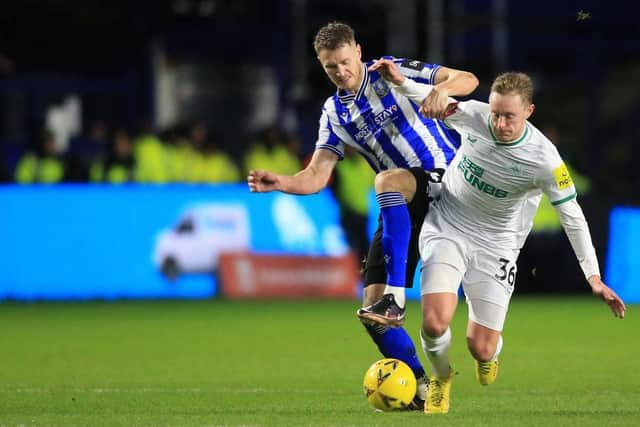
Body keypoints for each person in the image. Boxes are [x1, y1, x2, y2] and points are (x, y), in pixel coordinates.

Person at [247, 21, 479, 409]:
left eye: (344, 61)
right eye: (329, 68)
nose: (341, 72)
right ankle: (422, 389)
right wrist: (282, 182)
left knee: (387, 180)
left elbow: (467, 79)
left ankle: (397, 298)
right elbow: (315, 176)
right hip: (400, 204)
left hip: (443, 179)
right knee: (372, 314)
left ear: (358, 50)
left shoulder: (392, 70)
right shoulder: (334, 113)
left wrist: (440, 90)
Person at [377, 67, 626, 414]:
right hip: (448, 224)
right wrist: (398, 81)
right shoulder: (475, 117)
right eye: (495, 114)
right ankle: (440, 378)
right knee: (435, 322)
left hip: (496, 246)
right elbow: (432, 98)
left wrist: (593, 277)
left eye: (509, 116)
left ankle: (488, 354)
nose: (500, 124)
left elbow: (574, 217)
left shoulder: (546, 160)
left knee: (480, 346)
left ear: (529, 111)